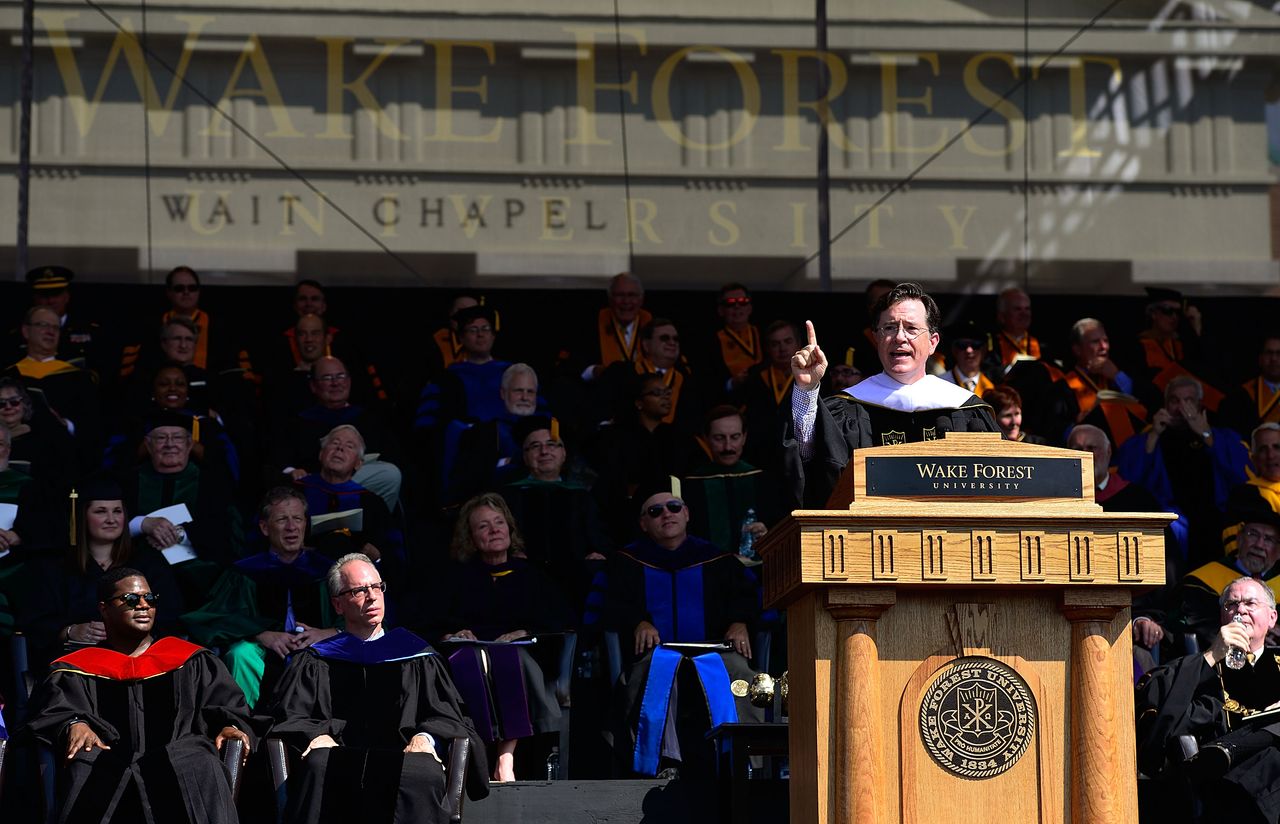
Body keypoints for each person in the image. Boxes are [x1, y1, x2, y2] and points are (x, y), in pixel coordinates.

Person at [264, 553, 489, 824]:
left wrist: (426, 737)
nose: (371, 597)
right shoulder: (316, 660)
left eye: (376, 587)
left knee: (423, 772)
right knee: (318, 764)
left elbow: (449, 715)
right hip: (335, 752)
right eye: (359, 591)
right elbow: (285, 715)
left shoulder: (417, 656)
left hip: (405, 753)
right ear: (338, 604)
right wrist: (314, 735)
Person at [21, 568, 255, 824]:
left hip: (181, 757)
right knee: (84, 763)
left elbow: (225, 704)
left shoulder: (191, 660)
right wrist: (73, 723)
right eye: (131, 599)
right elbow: (48, 713)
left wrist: (230, 726)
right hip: (105, 757)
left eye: (149, 598)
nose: (143, 605)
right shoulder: (74, 669)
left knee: (201, 762)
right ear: (104, 608)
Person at [784, 281, 999, 508]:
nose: (899, 337)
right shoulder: (849, 408)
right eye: (889, 327)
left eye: (911, 328)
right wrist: (806, 389)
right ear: (876, 338)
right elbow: (809, 460)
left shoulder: (966, 409)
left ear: (933, 343)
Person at [606, 482, 763, 777]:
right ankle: (660, 764)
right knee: (654, 673)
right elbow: (611, 604)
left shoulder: (718, 560)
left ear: (687, 514)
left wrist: (740, 621)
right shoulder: (626, 563)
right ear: (643, 522)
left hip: (713, 652)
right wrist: (637, 621)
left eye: (674, 507)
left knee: (742, 674)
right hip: (658, 654)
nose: (667, 514)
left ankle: (744, 763)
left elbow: (748, 597)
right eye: (655, 511)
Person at [432, 494, 571, 782]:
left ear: (510, 529)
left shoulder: (532, 576)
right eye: (483, 526)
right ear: (471, 537)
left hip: (520, 654)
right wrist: (454, 633)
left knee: (510, 657)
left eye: (499, 523)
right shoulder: (456, 578)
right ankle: (479, 755)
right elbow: (432, 618)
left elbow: (560, 619)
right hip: (471, 652)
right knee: (469, 661)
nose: (494, 530)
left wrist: (527, 631)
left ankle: (505, 759)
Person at [1136, 577, 1280, 821]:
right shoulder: (1202, 666)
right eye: (1231, 605)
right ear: (1222, 617)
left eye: (1250, 603)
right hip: (1232, 786)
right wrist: (1212, 655)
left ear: (1272, 618)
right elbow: (1160, 720)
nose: (1240, 610)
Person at [182, 487, 338, 709]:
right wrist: (260, 633)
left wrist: (327, 633)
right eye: (282, 519)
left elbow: (359, 613)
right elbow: (215, 616)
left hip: (317, 646)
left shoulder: (327, 570)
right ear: (265, 527)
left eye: (297, 519)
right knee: (240, 653)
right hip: (264, 650)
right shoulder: (246, 572)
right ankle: (241, 726)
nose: (291, 527)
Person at [24, 477, 184, 672]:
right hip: (74, 665)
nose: (111, 519)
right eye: (100, 511)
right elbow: (36, 622)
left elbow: (169, 616)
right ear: (82, 517)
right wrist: (71, 631)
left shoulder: (148, 562)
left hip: (138, 662)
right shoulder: (55, 567)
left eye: (117, 511)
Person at [1117, 375, 1249, 568]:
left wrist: (1206, 434)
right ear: (1164, 405)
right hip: (1173, 523)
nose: (1181, 407)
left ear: (1200, 405)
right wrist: (1153, 435)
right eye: (1174, 400)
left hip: (1215, 519)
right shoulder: (1147, 439)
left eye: (1188, 401)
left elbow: (1240, 476)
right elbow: (1131, 482)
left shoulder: (1221, 437)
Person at [681, 406, 781, 556]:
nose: (728, 447)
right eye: (719, 438)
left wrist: (768, 535)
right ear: (706, 438)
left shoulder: (764, 481)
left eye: (735, 437)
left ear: (744, 437)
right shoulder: (691, 486)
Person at [1172, 512, 1280, 651]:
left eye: (1268, 539)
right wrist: (1249, 634)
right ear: (1239, 540)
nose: (1259, 545)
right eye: (1252, 534)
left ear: (1278, 551)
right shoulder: (1201, 581)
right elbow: (1192, 624)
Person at [1063, 317, 1148, 449]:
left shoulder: (1118, 376)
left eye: (1106, 341)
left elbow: (1143, 405)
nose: (1104, 347)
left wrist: (1117, 376)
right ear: (1077, 349)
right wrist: (1077, 423)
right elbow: (1056, 433)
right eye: (1095, 342)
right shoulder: (1063, 388)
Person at [1220, 335, 1280, 438]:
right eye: (1269, 353)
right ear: (1260, 359)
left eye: (1279, 353)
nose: (1274, 359)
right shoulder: (1238, 397)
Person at [710, 283, 763, 392]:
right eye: (730, 303)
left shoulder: (764, 334)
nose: (737, 306)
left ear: (750, 308)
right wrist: (732, 383)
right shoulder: (712, 341)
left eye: (743, 302)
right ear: (721, 310)